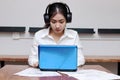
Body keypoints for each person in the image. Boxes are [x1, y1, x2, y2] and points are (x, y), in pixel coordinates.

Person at [28, 2, 85, 68]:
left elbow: (81, 59)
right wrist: (36, 63)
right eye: (53, 22)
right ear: (48, 20)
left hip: (67, 74)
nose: (57, 26)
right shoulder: (39, 35)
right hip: (45, 74)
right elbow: (32, 58)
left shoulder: (74, 35)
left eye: (61, 22)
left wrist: (65, 64)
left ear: (67, 20)